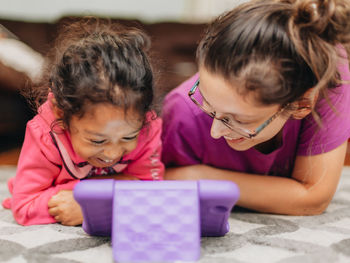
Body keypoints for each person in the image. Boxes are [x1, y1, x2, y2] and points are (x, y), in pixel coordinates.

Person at [162, 0, 350, 216]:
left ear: (301, 105)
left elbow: (313, 198)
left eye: (240, 120)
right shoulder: (182, 113)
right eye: (207, 102)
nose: (215, 132)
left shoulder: (326, 77)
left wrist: (202, 177)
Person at [2, 19, 164, 226]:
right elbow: (25, 207)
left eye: (128, 137)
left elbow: (151, 192)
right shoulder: (44, 135)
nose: (112, 154)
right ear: (61, 114)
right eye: (97, 141)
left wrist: (93, 204)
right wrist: (113, 188)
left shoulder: (147, 128)